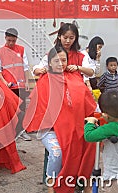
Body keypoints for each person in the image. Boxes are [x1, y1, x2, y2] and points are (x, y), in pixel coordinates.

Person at [24, 45, 97, 193]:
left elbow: (86, 101)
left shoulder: (75, 77)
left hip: (73, 125)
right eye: (56, 61)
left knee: (91, 143)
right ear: (49, 63)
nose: (60, 64)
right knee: (57, 152)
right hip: (50, 129)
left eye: (63, 60)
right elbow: (41, 112)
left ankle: (84, 182)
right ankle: (52, 184)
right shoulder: (45, 81)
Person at [84, 90, 118, 193]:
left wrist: (90, 123)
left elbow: (89, 136)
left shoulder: (112, 128)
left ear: (106, 115)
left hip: (116, 180)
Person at [0, 28, 32, 141]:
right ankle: (11, 133)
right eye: (9, 40)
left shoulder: (21, 50)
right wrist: (4, 82)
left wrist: (27, 82)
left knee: (22, 109)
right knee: (11, 111)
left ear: (16, 39)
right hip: (8, 86)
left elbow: (26, 67)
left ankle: (22, 131)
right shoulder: (0, 52)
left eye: (13, 41)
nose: (11, 43)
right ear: (5, 38)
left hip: (20, 86)